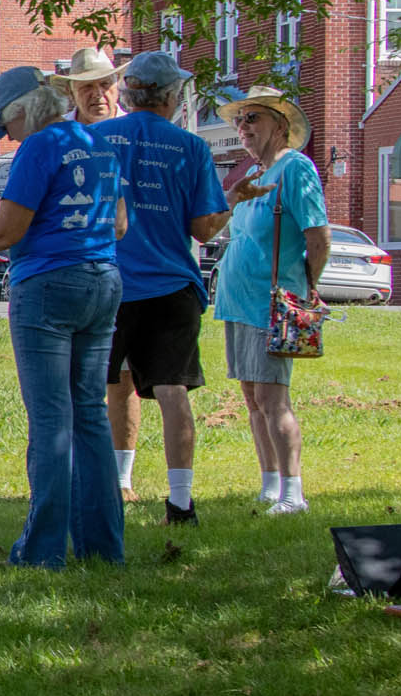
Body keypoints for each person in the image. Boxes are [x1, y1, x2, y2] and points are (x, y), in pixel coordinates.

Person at [0, 66, 124, 567]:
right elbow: (122, 224)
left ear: (24, 109)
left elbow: (5, 233)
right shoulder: (100, 146)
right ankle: (105, 549)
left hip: (46, 287)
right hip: (104, 280)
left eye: (7, 126)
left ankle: (42, 553)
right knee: (90, 414)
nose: (8, 136)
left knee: (51, 418)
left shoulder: (37, 149)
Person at [91, 53, 231, 526]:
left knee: (101, 387)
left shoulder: (98, 137)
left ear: (128, 94)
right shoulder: (190, 147)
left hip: (107, 280)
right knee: (173, 392)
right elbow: (204, 228)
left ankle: (106, 487)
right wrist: (232, 201)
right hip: (172, 285)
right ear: (171, 96)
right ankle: (180, 501)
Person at [212, 86, 328, 516]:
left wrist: (304, 288)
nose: (243, 128)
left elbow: (318, 237)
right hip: (237, 301)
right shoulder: (255, 175)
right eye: (240, 120)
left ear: (280, 124)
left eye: (253, 118)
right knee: (251, 397)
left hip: (271, 303)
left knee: (272, 396)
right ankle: (270, 484)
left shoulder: (296, 169)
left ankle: (294, 493)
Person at [55, 46, 143, 500]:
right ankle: (75, 471)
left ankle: (121, 477)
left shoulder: (134, 135)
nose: (98, 94)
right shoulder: (61, 138)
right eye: (86, 86)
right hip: (74, 276)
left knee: (123, 381)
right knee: (73, 379)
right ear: (71, 90)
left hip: (137, 277)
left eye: (105, 84)